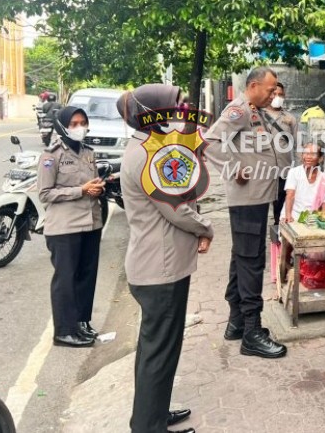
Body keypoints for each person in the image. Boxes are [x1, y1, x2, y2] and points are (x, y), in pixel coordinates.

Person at [117, 84, 214, 433]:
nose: (181, 110)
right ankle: (148, 426)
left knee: (155, 350)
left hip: (155, 267)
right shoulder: (147, 155)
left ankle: (151, 415)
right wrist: (206, 229)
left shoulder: (145, 148)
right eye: (175, 105)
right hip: (160, 271)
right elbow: (177, 208)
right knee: (158, 353)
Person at [204, 67, 287, 359]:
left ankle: (237, 322)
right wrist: (233, 168)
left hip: (258, 196)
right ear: (253, 85)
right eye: (269, 88)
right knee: (252, 260)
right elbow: (209, 143)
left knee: (241, 256)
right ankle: (252, 331)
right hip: (247, 197)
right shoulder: (238, 110)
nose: (273, 93)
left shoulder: (256, 110)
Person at [37, 106, 105, 348]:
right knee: (66, 279)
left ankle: (81, 323)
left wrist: (98, 187)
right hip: (64, 228)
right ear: (64, 126)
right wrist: (81, 190)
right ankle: (64, 331)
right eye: (74, 123)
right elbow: (45, 193)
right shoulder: (51, 155)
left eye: (83, 122)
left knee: (87, 276)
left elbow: (92, 182)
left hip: (91, 223)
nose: (79, 127)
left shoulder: (88, 152)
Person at [265, 82, 298, 227]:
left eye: (281, 95)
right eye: (275, 94)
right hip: (262, 169)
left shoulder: (290, 118)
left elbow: (297, 144)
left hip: (283, 169)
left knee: (281, 202)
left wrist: (298, 169)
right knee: (261, 204)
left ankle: (279, 231)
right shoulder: (258, 116)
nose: (277, 97)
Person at [280, 143, 325, 223]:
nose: (308, 157)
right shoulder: (294, 172)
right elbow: (290, 195)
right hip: (293, 217)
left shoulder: (324, 178)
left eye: (313, 154)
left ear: (320, 159)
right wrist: (288, 216)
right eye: (305, 153)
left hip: (312, 220)